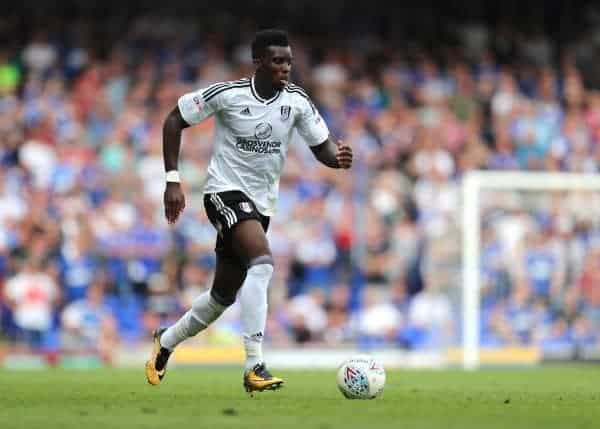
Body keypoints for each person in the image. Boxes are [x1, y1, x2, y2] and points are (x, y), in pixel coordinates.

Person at [145, 29, 353, 392]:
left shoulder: (297, 101)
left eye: (288, 61)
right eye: (277, 61)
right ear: (258, 62)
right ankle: (254, 365)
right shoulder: (228, 94)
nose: (285, 68)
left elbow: (323, 148)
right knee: (264, 262)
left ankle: (166, 342)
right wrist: (172, 180)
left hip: (261, 205)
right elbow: (173, 119)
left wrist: (339, 159)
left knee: (221, 298)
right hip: (223, 192)